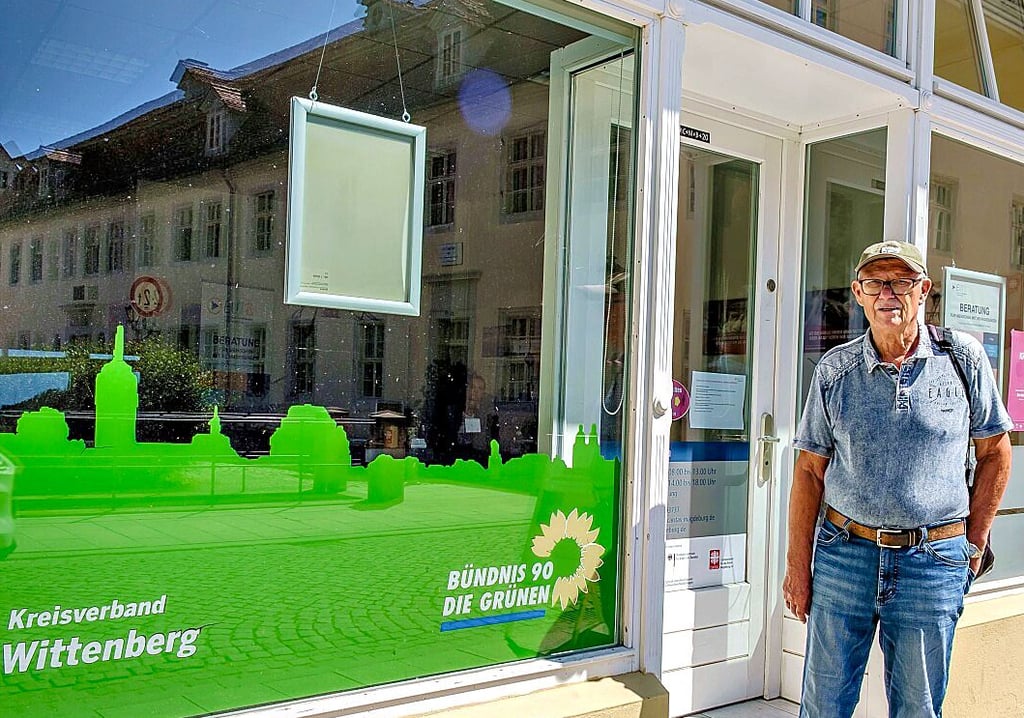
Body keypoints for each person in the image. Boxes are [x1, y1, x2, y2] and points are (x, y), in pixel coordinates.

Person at [783, 240, 1013, 718]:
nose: (888, 293)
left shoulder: (963, 360)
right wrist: (797, 567)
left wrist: (972, 544)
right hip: (845, 555)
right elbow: (808, 471)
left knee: (917, 708)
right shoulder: (835, 371)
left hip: (932, 562)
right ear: (859, 294)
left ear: (924, 290)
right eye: (875, 282)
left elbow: (995, 453)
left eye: (901, 281)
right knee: (824, 705)